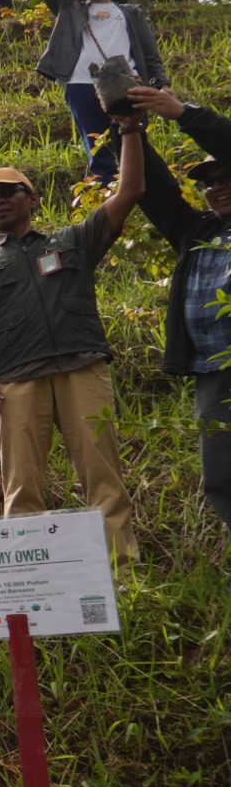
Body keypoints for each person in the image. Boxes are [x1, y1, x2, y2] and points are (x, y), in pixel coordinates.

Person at [0, 152, 146, 564]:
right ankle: (32, 577)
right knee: (21, 485)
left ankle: (121, 568)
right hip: (14, 380)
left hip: (82, 367)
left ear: (33, 198)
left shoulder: (74, 242)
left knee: (103, 474)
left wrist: (130, 130)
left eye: (7, 192)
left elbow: (130, 190)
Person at [123, 87, 231, 531]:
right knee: (221, 476)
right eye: (209, 183)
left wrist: (184, 114)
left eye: (226, 177)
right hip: (214, 371)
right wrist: (130, 130)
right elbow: (157, 194)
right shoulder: (198, 231)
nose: (217, 188)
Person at [36, 0, 165, 184]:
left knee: (135, 141)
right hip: (82, 84)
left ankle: (143, 193)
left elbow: (149, 53)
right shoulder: (70, 9)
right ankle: (107, 194)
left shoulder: (130, 13)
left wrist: (162, 84)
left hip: (128, 84)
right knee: (98, 147)